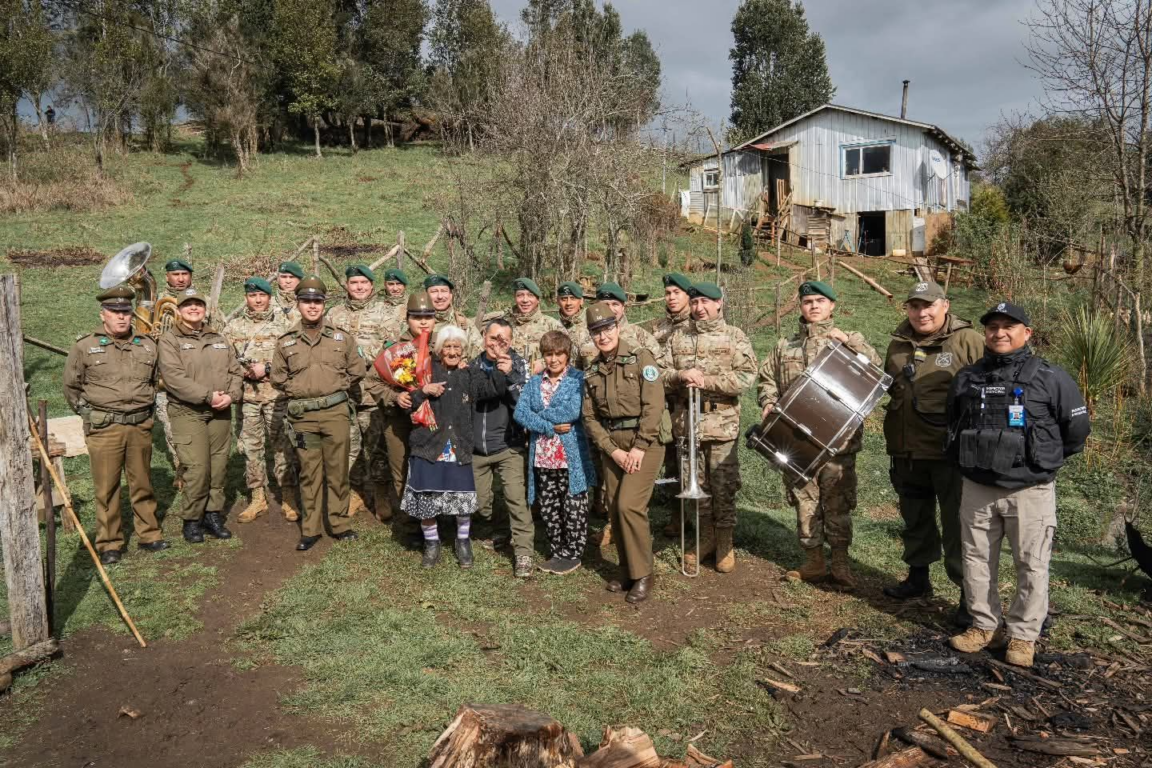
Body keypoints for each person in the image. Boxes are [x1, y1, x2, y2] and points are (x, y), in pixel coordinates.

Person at [946, 302, 1090, 668]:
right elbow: (952, 422)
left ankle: (1024, 636)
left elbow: (1075, 432)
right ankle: (984, 626)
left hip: (1030, 491)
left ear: (1027, 333)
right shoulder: (967, 377)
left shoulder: (1051, 377)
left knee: (1032, 564)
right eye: (992, 326)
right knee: (976, 560)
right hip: (977, 486)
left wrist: (1038, 464)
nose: (999, 333)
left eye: (1009, 326)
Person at [757, 280, 880, 587]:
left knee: (837, 502)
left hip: (839, 443)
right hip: (797, 440)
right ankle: (813, 561)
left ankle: (840, 564)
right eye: (807, 301)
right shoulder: (785, 345)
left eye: (820, 301)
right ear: (800, 306)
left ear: (832, 305)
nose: (813, 306)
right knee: (804, 500)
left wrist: (850, 342)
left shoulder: (848, 341)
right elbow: (766, 379)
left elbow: (876, 369)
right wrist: (768, 401)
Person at [882, 281, 985, 625]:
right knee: (915, 517)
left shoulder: (967, 341)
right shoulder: (898, 344)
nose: (921, 313)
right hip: (907, 450)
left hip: (950, 453)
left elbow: (990, 385)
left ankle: (968, 598)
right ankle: (918, 577)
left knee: (959, 525)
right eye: (914, 306)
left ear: (945, 305)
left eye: (928, 305)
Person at [63, 284, 167, 565]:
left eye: (125, 311)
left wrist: (146, 412)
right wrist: (90, 415)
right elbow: (71, 387)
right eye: (114, 311)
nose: (121, 317)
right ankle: (110, 542)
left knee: (142, 483)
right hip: (104, 429)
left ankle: (149, 534)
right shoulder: (85, 347)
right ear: (103, 314)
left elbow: (155, 381)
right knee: (107, 488)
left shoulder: (147, 345)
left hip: (139, 426)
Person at [663, 282, 757, 573]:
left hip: (721, 426)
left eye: (705, 302)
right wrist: (680, 375)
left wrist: (707, 381)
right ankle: (705, 538)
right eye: (694, 303)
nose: (699, 308)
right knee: (695, 485)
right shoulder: (677, 337)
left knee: (723, 486)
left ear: (719, 304)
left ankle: (725, 542)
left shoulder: (735, 337)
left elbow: (746, 377)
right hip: (687, 425)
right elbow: (659, 373)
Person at [271, 276, 367, 551]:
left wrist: (334, 388)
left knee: (337, 470)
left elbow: (357, 370)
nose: (312, 306)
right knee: (309, 472)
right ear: (298, 304)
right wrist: (302, 389)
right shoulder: (286, 342)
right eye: (306, 301)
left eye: (317, 301)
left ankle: (338, 524)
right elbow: (278, 378)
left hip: (336, 413)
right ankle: (311, 529)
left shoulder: (342, 338)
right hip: (303, 418)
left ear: (324, 305)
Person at [404, 326, 509, 569]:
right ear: (439, 350)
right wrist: (424, 391)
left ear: (463, 350)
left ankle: (463, 542)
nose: (452, 352)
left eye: (457, 347)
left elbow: (492, 389)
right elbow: (408, 403)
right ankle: (432, 544)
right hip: (428, 444)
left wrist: (500, 367)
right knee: (427, 498)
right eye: (447, 347)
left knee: (461, 499)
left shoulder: (469, 373)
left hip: (458, 446)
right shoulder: (426, 370)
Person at [582, 302, 665, 604]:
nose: (602, 336)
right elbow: (590, 418)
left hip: (646, 442)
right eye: (595, 332)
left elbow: (654, 406)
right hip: (613, 445)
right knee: (615, 506)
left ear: (617, 326)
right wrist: (612, 451)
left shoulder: (641, 358)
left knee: (630, 505)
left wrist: (640, 448)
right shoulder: (591, 371)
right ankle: (627, 567)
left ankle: (644, 573)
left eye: (606, 328)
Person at [158, 287, 243, 544]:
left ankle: (212, 514)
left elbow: (235, 370)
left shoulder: (218, 338)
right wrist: (208, 396)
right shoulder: (170, 340)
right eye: (188, 305)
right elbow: (174, 378)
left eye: (198, 305)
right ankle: (192, 519)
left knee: (218, 466)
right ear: (179, 311)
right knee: (197, 468)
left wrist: (231, 395)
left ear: (205, 309)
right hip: (189, 411)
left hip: (220, 411)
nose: (193, 309)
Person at [515, 331, 598, 575]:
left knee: (573, 506)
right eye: (548, 354)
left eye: (558, 354)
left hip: (569, 458)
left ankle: (573, 552)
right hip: (542, 457)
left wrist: (536, 417)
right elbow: (520, 414)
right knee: (550, 505)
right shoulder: (534, 383)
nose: (553, 359)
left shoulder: (577, 380)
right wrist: (547, 426)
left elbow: (572, 411)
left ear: (567, 355)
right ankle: (557, 550)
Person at [362, 292, 441, 548]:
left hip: (435, 422)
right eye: (417, 317)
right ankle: (408, 526)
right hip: (399, 421)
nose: (423, 322)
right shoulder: (395, 349)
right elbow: (372, 381)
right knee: (403, 472)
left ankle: (438, 523)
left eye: (428, 316)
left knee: (435, 470)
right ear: (407, 319)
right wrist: (395, 396)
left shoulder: (442, 345)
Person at [223, 276, 300, 524]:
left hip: (277, 397)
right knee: (251, 448)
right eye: (252, 296)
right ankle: (257, 497)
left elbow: (293, 357)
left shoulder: (284, 324)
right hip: (248, 399)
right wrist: (242, 371)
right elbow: (225, 360)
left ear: (269, 297)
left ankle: (288, 495)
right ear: (246, 297)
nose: (257, 300)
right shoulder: (233, 327)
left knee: (282, 447)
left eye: (262, 296)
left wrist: (266, 368)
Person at [327, 264, 395, 520]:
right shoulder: (334, 315)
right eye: (354, 283)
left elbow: (391, 351)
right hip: (342, 394)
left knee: (376, 447)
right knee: (348, 447)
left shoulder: (385, 314)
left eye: (364, 283)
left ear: (371, 285)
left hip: (373, 395)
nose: (359, 288)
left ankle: (380, 494)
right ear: (347, 285)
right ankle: (356, 492)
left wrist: (361, 357)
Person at [469, 318, 533, 576]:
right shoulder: (472, 365)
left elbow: (526, 402)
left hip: (509, 446)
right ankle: (499, 530)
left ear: (511, 342)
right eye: (493, 338)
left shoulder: (518, 364)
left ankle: (524, 552)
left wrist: (510, 376)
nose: (497, 344)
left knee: (516, 500)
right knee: (480, 503)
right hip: (477, 448)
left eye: (503, 340)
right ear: (484, 336)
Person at [644, 272, 695, 524]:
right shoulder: (658, 327)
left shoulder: (695, 325)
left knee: (687, 461)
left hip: (686, 405)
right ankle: (676, 517)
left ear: (688, 296)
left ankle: (691, 518)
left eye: (677, 293)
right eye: (668, 293)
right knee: (670, 464)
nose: (671, 297)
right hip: (662, 403)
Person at [154, 256, 197, 490]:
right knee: (171, 428)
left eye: (184, 274)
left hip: (195, 375)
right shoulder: (155, 303)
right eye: (175, 274)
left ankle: (199, 468)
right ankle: (181, 468)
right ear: (167, 277)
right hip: (166, 377)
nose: (180, 279)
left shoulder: (202, 301)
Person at [505, 277, 564, 373]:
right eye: (520, 295)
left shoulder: (552, 326)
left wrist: (544, 363)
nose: (525, 300)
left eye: (530, 295)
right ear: (515, 298)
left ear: (538, 299)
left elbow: (566, 355)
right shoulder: (504, 325)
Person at [557, 281, 595, 370]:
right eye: (564, 299)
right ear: (558, 301)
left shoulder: (592, 321)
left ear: (581, 301)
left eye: (573, 298)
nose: (568, 303)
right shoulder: (553, 326)